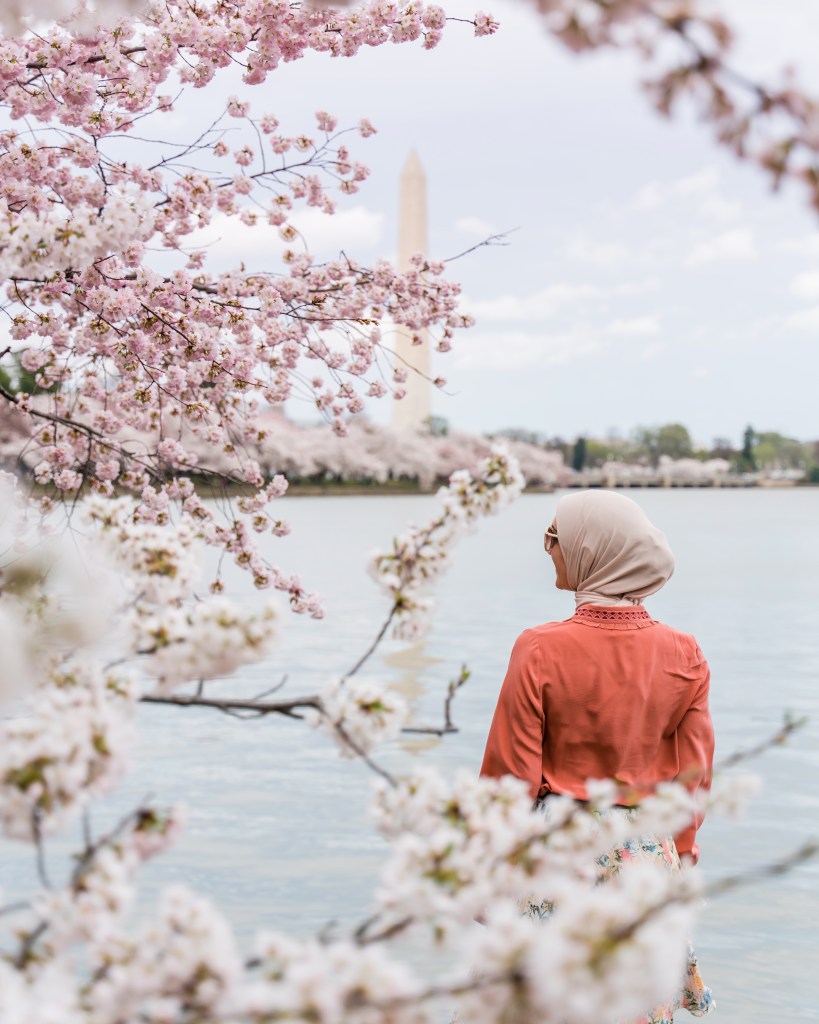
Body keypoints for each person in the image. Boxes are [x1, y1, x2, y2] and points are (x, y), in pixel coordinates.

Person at [480, 489, 715, 1022]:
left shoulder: (539, 647)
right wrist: (681, 855)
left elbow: (510, 775)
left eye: (556, 537)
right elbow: (693, 776)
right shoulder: (686, 652)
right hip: (646, 859)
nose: (548, 548)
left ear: (594, 549)